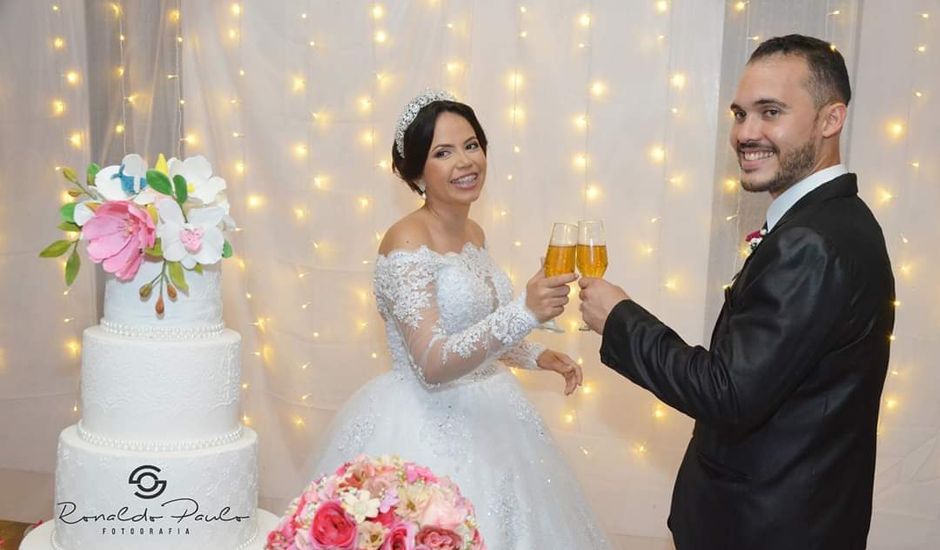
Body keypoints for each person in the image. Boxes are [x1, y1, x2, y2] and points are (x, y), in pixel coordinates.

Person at [579, 34, 895, 549]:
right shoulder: (834, 220)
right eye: (740, 113)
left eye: (770, 112)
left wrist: (619, 317)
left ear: (830, 120)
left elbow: (728, 391)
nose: (747, 133)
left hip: (766, 528)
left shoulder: (812, 240)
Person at [309, 90, 611, 548]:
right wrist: (524, 311)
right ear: (416, 171)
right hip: (422, 428)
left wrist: (535, 355)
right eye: (442, 152)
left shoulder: (475, 232)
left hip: (492, 412)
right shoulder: (405, 240)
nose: (465, 162)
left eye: (471, 145)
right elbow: (431, 362)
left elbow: (471, 333)